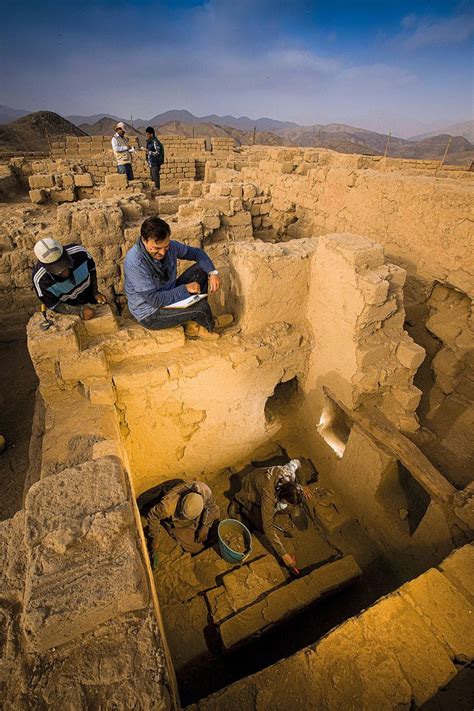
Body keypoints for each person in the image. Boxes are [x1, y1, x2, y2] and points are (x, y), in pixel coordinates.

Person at [124, 216, 233, 339]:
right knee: (202, 307)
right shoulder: (135, 262)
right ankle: (207, 325)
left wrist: (213, 273)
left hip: (167, 292)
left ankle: (194, 322)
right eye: (157, 248)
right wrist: (185, 289)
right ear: (144, 240)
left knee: (202, 269)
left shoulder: (171, 247)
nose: (163, 252)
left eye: (166, 247)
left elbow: (198, 253)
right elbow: (154, 300)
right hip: (151, 313)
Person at [230, 460, 312, 570]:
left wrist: (303, 485)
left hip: (263, 483)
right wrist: (283, 554)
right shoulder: (268, 495)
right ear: (281, 497)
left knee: (289, 508)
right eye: (286, 501)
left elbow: (297, 462)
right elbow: (268, 526)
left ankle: (265, 509)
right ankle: (238, 504)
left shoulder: (288, 473)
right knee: (261, 525)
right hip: (249, 489)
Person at [138, 479, 220, 557]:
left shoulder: (203, 490)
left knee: (216, 514)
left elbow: (212, 507)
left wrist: (205, 527)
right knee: (196, 548)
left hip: (193, 515)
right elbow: (152, 517)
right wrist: (154, 539)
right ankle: (169, 527)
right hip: (177, 521)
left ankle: (195, 524)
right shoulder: (166, 508)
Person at [32, 237, 107, 319]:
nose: (65, 272)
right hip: (68, 310)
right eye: (59, 272)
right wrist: (78, 312)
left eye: (66, 266)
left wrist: (95, 292)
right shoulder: (41, 280)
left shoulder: (80, 253)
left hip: (88, 296)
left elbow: (92, 270)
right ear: (47, 268)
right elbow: (54, 305)